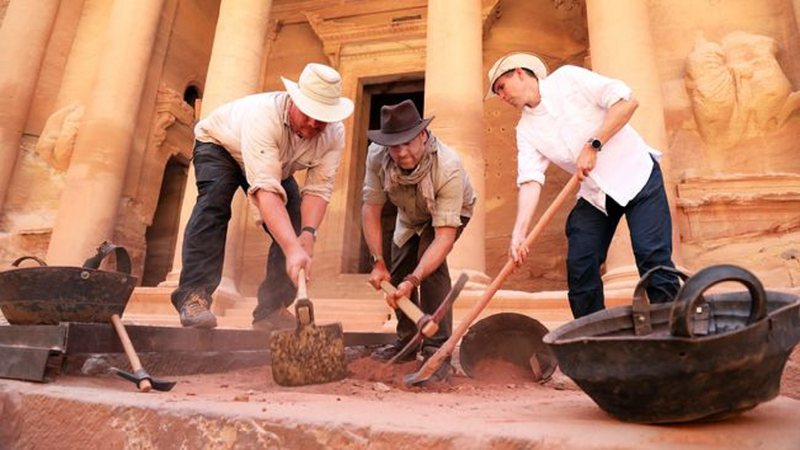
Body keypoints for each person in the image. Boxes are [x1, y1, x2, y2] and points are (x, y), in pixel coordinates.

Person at [486, 52, 679, 318]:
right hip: (596, 195)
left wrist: (594, 144)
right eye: (497, 93)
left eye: (501, 87)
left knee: (651, 256)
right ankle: (592, 343)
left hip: (637, 176)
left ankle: (674, 331)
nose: (501, 96)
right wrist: (519, 233)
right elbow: (530, 179)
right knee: (581, 264)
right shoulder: (526, 130)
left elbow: (627, 102)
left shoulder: (568, 79)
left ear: (520, 73)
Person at [171, 63, 354, 329]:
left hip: (275, 163)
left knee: (292, 225)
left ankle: (272, 310)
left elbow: (318, 189)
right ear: (293, 100)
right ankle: (193, 296)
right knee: (214, 205)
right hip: (221, 146)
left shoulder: (334, 134)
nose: (315, 123)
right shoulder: (264, 115)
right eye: (309, 113)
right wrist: (292, 249)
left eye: (322, 117)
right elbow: (266, 190)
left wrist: (306, 235)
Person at [361, 100, 476, 366]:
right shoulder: (377, 156)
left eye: (407, 142)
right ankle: (407, 342)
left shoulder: (448, 166)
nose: (400, 152)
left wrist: (414, 281)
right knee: (398, 269)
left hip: (450, 213)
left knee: (430, 268)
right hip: (409, 214)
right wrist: (378, 262)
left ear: (423, 135)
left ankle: (438, 351)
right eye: (394, 145)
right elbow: (371, 208)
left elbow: (443, 237)